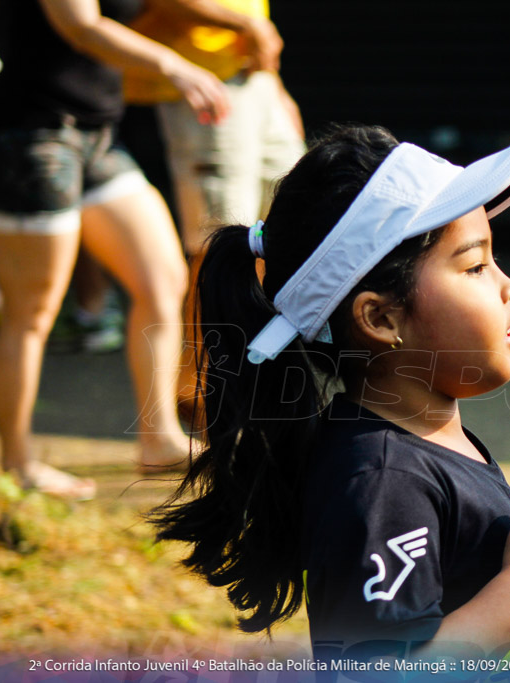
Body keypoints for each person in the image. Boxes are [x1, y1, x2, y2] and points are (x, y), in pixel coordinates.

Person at [150, 124, 510, 662]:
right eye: (475, 265)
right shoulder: (384, 484)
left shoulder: (417, 455)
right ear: (381, 317)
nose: (508, 284)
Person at [0, 0, 254, 498]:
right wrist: (175, 67)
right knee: (31, 314)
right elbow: (81, 25)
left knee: (161, 279)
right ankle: (17, 463)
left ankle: (158, 439)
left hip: (96, 136)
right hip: (35, 137)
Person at [121, 1, 304, 422]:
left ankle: (248, 371)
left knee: (279, 234)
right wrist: (243, 24)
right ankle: (199, 384)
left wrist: (274, 87)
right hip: (204, 84)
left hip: (254, 80)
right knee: (218, 243)